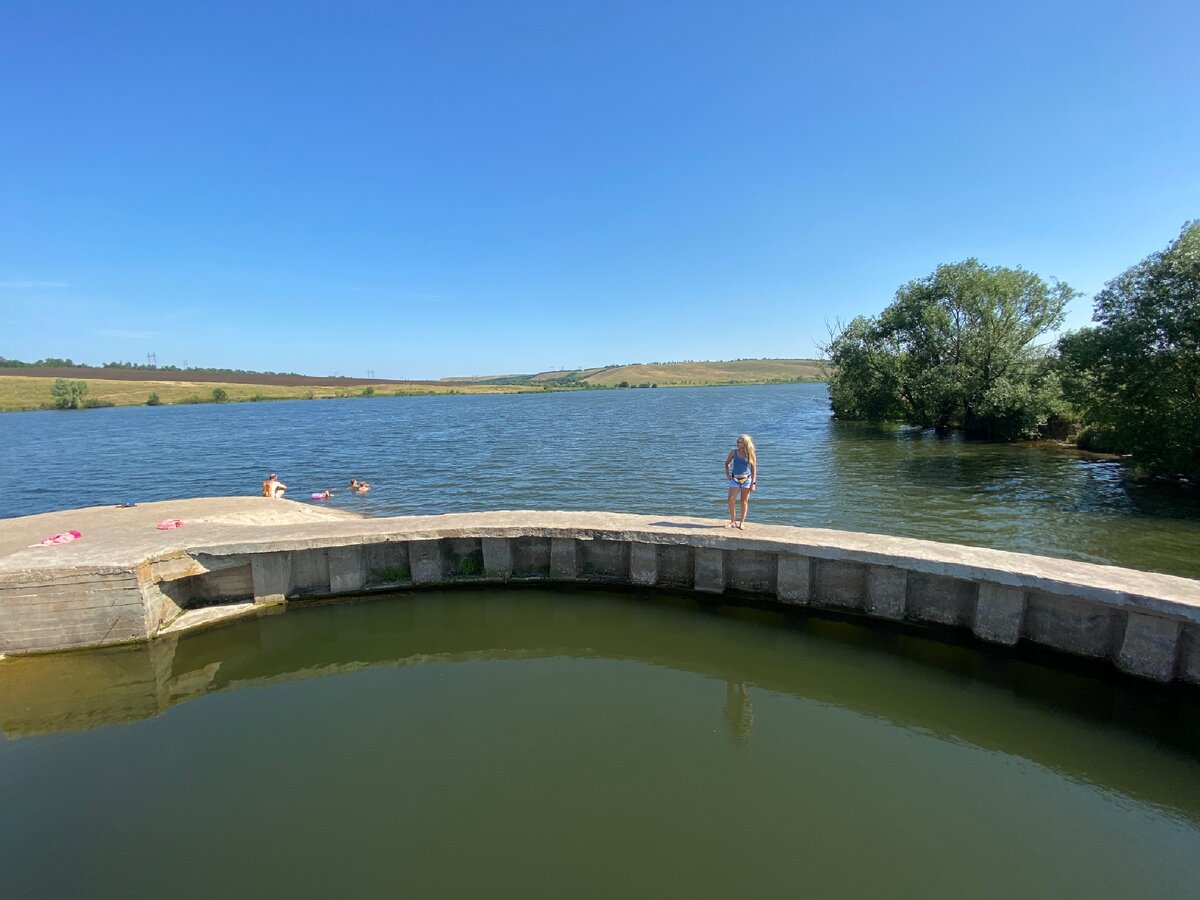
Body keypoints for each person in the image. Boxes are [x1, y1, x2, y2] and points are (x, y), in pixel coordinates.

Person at [724, 434, 757, 528]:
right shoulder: (733, 452)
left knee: (744, 501)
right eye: (737, 442)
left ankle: (742, 522)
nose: (737, 443)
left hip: (746, 480)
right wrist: (728, 475)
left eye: (740, 442)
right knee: (730, 500)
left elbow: (754, 468)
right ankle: (732, 521)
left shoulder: (750, 453)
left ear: (745, 443)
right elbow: (726, 463)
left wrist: (753, 483)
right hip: (734, 479)